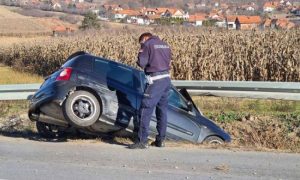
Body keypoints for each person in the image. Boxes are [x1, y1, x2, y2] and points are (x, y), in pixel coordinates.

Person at [129, 32, 172, 149]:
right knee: (162, 110)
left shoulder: (147, 44)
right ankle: (160, 140)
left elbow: (141, 63)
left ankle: (142, 141)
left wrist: (141, 49)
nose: (141, 44)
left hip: (155, 80)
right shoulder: (165, 44)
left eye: (141, 42)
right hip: (166, 79)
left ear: (144, 38)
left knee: (145, 108)